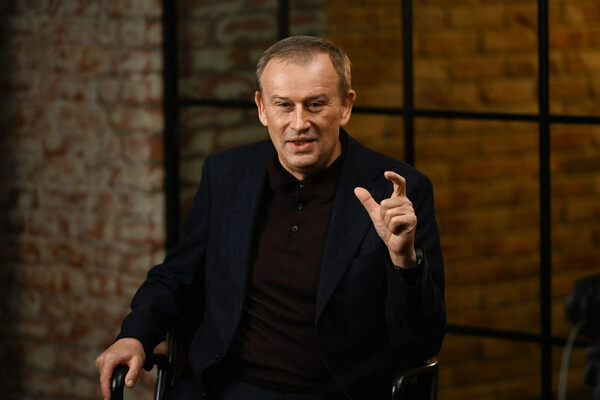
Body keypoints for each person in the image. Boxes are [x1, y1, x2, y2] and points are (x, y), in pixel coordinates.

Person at [96, 35, 446, 400]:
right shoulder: (226, 175)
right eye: (284, 105)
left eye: (315, 104)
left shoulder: (397, 192)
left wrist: (403, 260)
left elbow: (423, 342)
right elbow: (178, 275)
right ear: (262, 108)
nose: (299, 123)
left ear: (345, 106)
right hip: (220, 390)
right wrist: (134, 335)